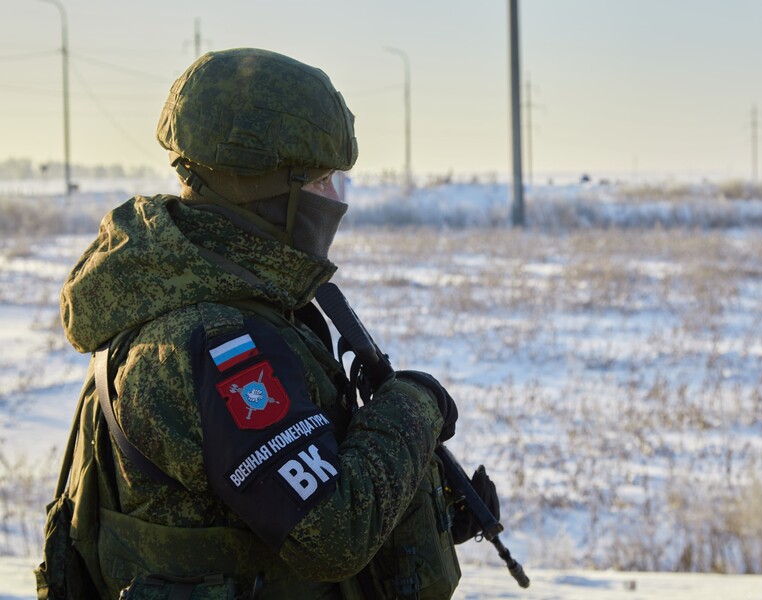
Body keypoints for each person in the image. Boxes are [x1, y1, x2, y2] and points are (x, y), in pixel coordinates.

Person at [53, 47, 468, 599]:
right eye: (319, 181)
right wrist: (415, 406)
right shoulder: (217, 344)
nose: (333, 199)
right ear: (266, 192)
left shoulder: (201, 294)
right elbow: (331, 532)